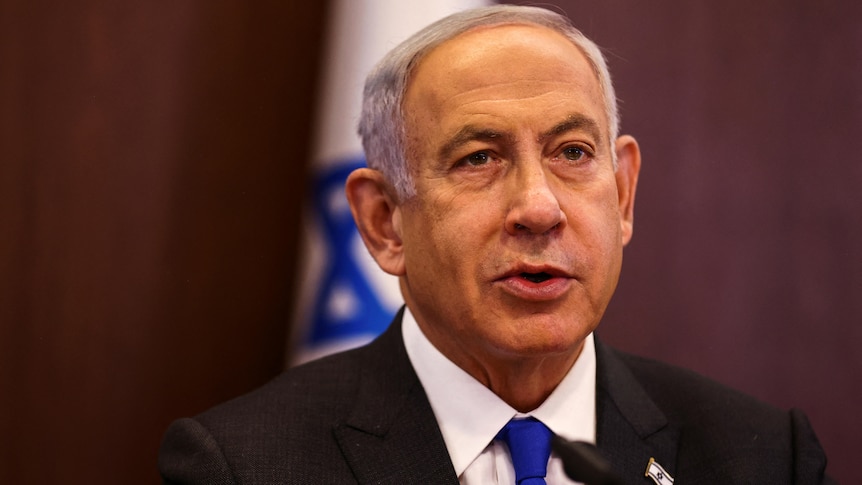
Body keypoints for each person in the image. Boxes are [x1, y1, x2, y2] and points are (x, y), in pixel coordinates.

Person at [158, 5, 833, 484]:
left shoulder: (766, 458)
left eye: (573, 152)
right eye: (478, 158)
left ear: (622, 194)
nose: (539, 208)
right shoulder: (243, 466)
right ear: (384, 221)